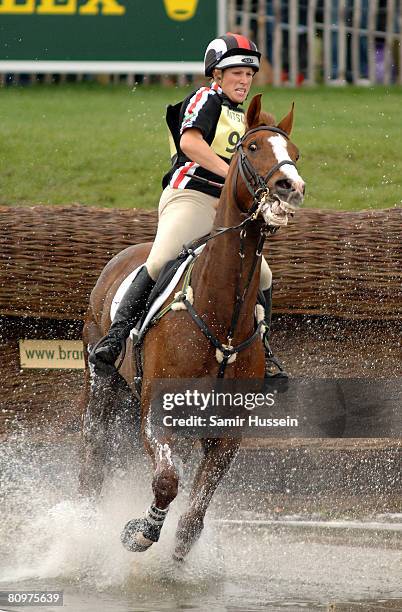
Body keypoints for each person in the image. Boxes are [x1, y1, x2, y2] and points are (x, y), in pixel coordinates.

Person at [89, 32, 287, 378]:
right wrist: (231, 176)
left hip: (227, 208)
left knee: (264, 275)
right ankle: (116, 336)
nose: (244, 80)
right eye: (236, 72)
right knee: (162, 257)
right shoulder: (205, 99)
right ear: (217, 75)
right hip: (192, 196)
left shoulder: (243, 117)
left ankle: (264, 350)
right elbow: (191, 143)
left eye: (249, 74)